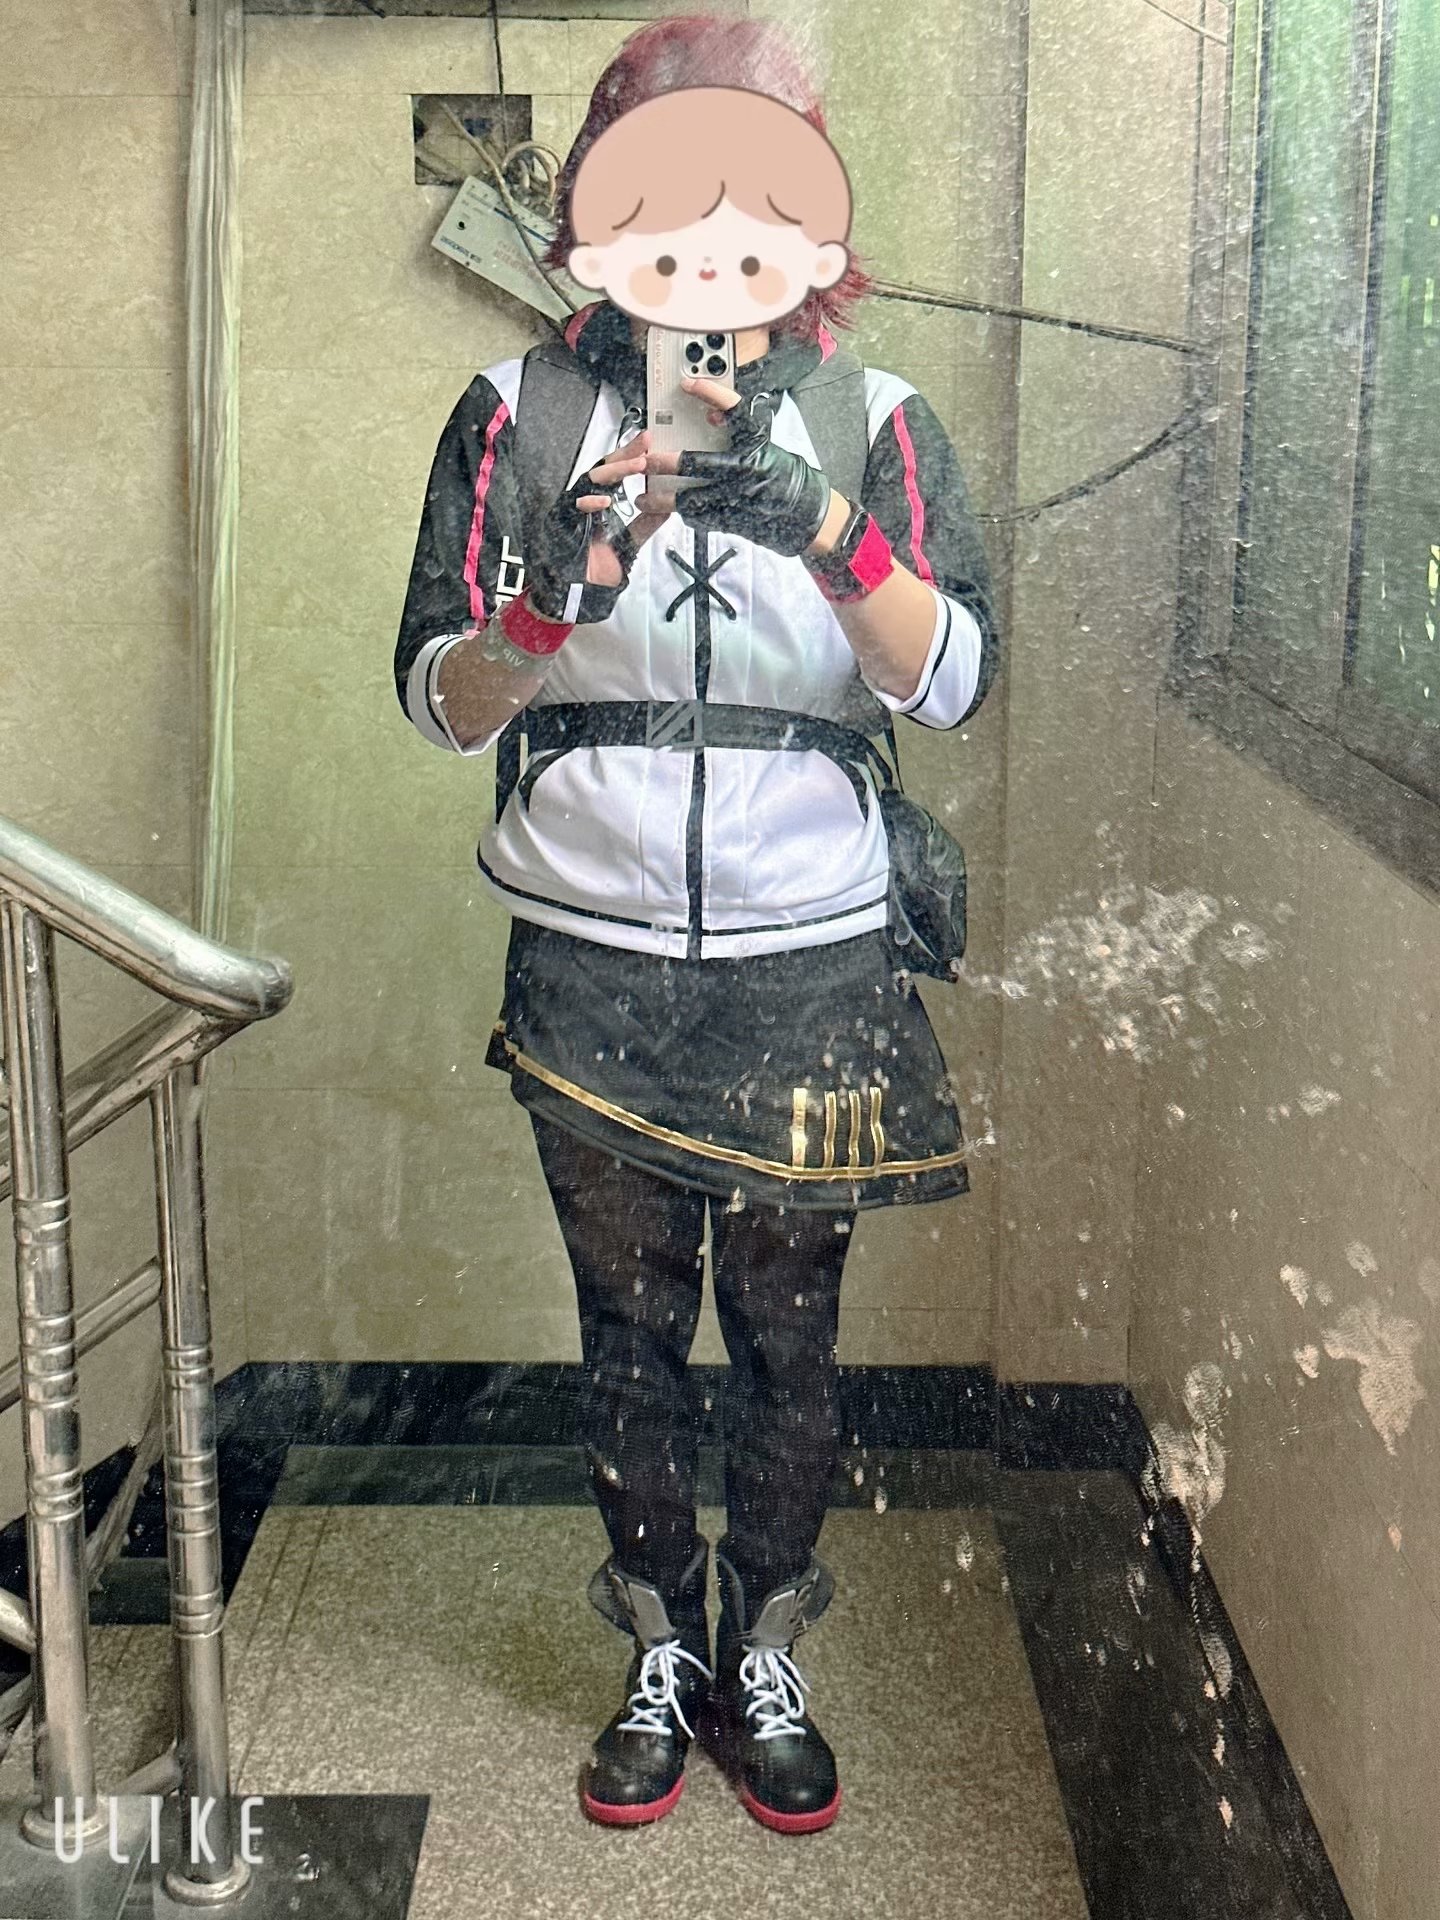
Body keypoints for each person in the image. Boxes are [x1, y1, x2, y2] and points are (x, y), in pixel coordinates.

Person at [393, 12, 998, 1836]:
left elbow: (954, 681)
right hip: (591, 947)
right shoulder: (517, 412)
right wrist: (555, 602)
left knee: (791, 1328)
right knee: (629, 1324)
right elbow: (438, 698)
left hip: (814, 951)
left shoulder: (880, 421)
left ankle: (772, 1643)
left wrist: (830, 531)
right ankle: (663, 1642)